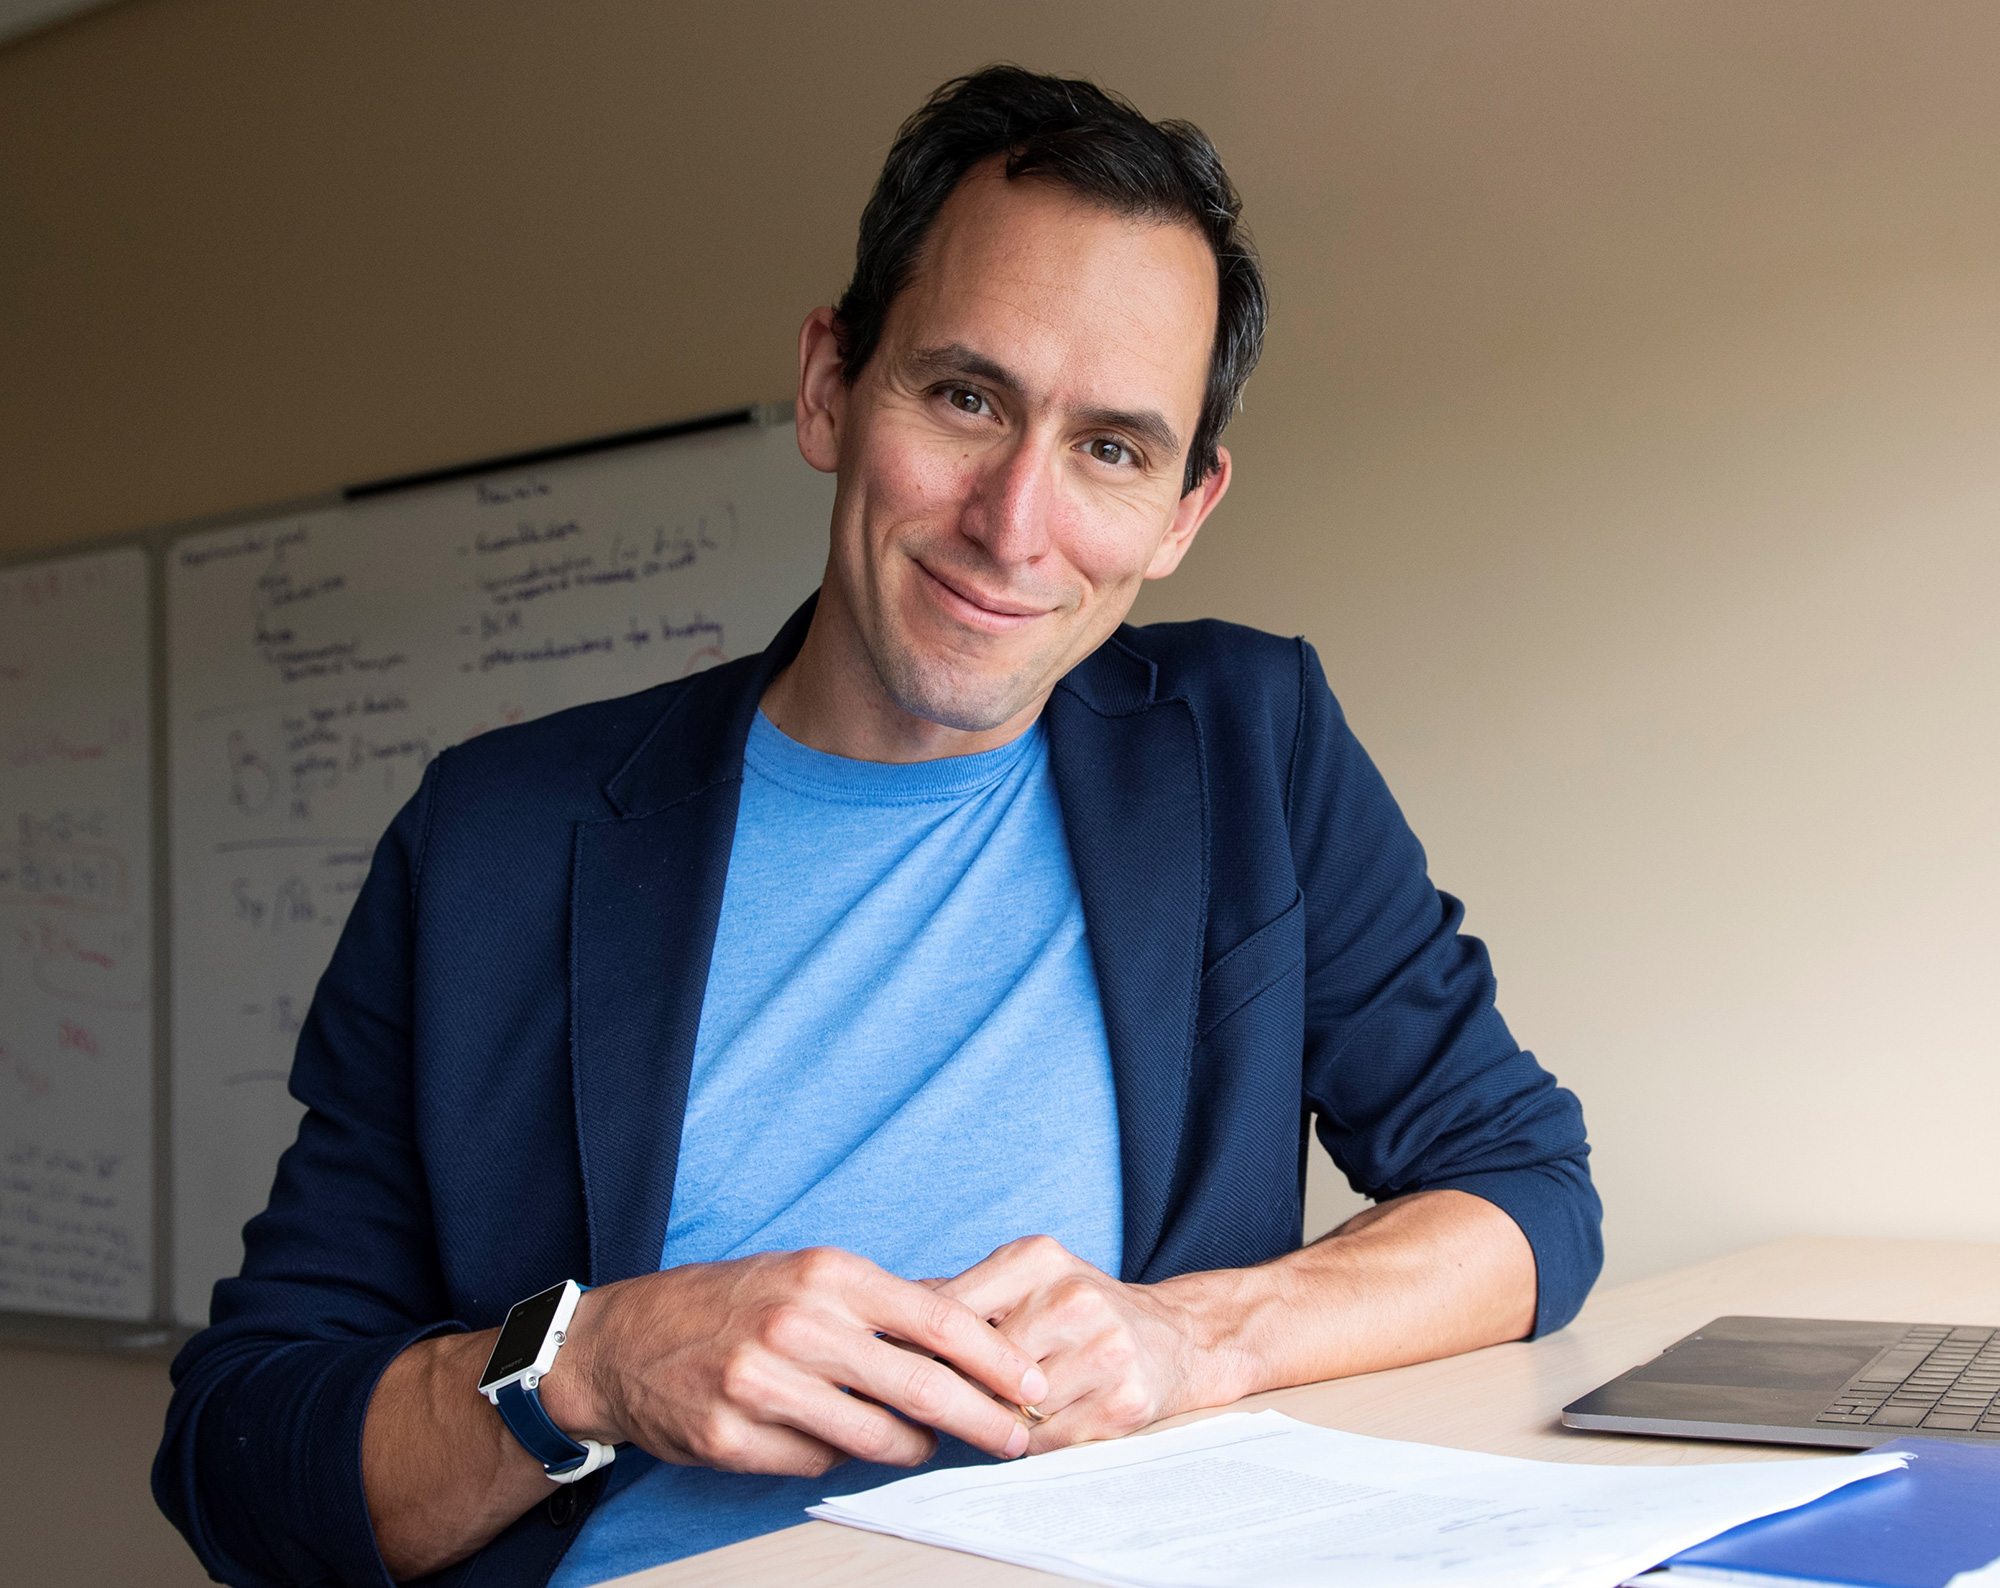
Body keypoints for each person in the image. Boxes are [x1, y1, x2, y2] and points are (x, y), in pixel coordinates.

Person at [155, 66, 1599, 1588]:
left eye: (1111, 448)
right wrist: (587, 1366)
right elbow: (244, 1459)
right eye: (966, 399)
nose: (1014, 525)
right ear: (833, 385)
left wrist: (1194, 1335)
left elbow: (1525, 1192)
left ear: (1184, 508)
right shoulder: (495, 839)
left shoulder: (1253, 744)